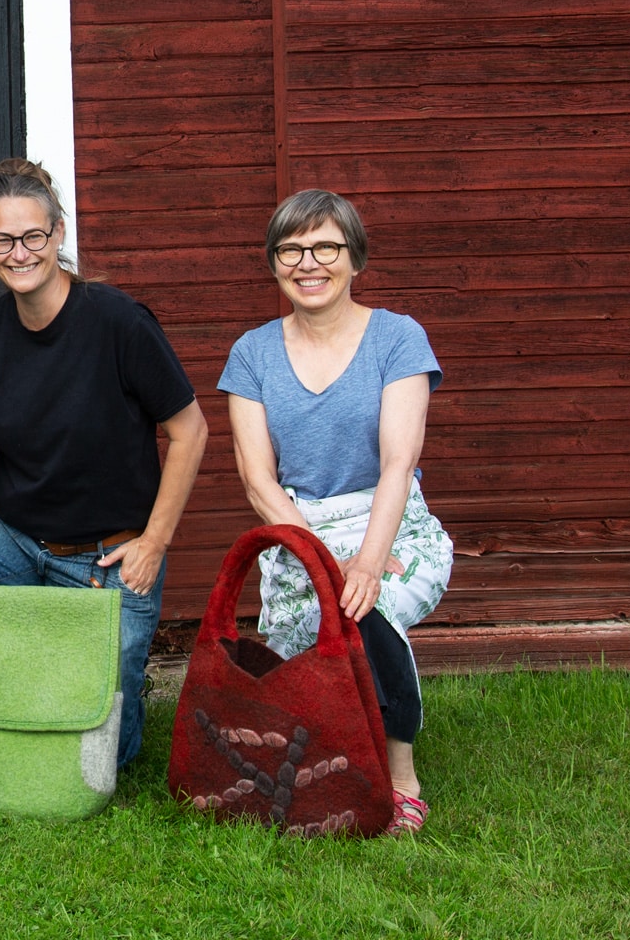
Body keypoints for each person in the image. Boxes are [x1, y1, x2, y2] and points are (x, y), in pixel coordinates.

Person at [0, 159, 208, 771]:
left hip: (110, 553)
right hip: (14, 538)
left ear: (59, 234)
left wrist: (155, 542)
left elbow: (190, 433)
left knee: (104, 759)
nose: (20, 253)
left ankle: (72, 689)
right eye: (3, 240)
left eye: (33, 236)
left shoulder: (119, 322)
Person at [218, 188, 453, 836]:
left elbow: (398, 462)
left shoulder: (397, 338)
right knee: (306, 648)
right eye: (291, 249)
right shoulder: (253, 354)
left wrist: (367, 565)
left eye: (325, 246)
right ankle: (333, 759)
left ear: (354, 257)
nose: (308, 261)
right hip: (299, 527)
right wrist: (320, 557)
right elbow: (256, 478)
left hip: (390, 520)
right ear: (274, 263)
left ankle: (400, 775)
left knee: (363, 610)